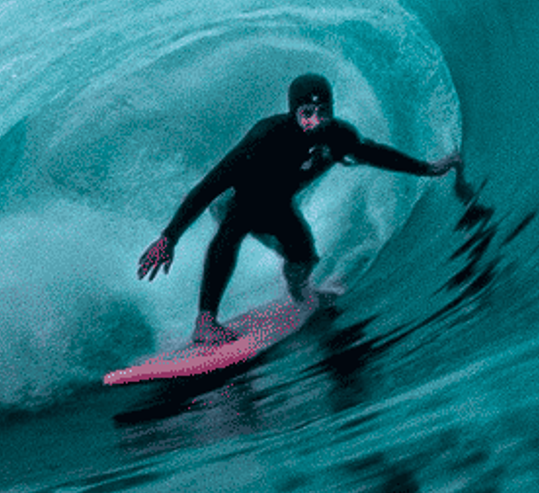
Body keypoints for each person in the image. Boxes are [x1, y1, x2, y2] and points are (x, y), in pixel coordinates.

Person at [137, 73, 460, 344]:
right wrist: (169, 238)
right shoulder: (265, 137)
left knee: (304, 254)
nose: (315, 122)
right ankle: (205, 322)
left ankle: (300, 293)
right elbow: (209, 185)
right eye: (307, 113)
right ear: (294, 112)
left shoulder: (338, 136)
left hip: (278, 205)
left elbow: (375, 154)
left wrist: (428, 168)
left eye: (323, 113)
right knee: (231, 231)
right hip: (242, 198)